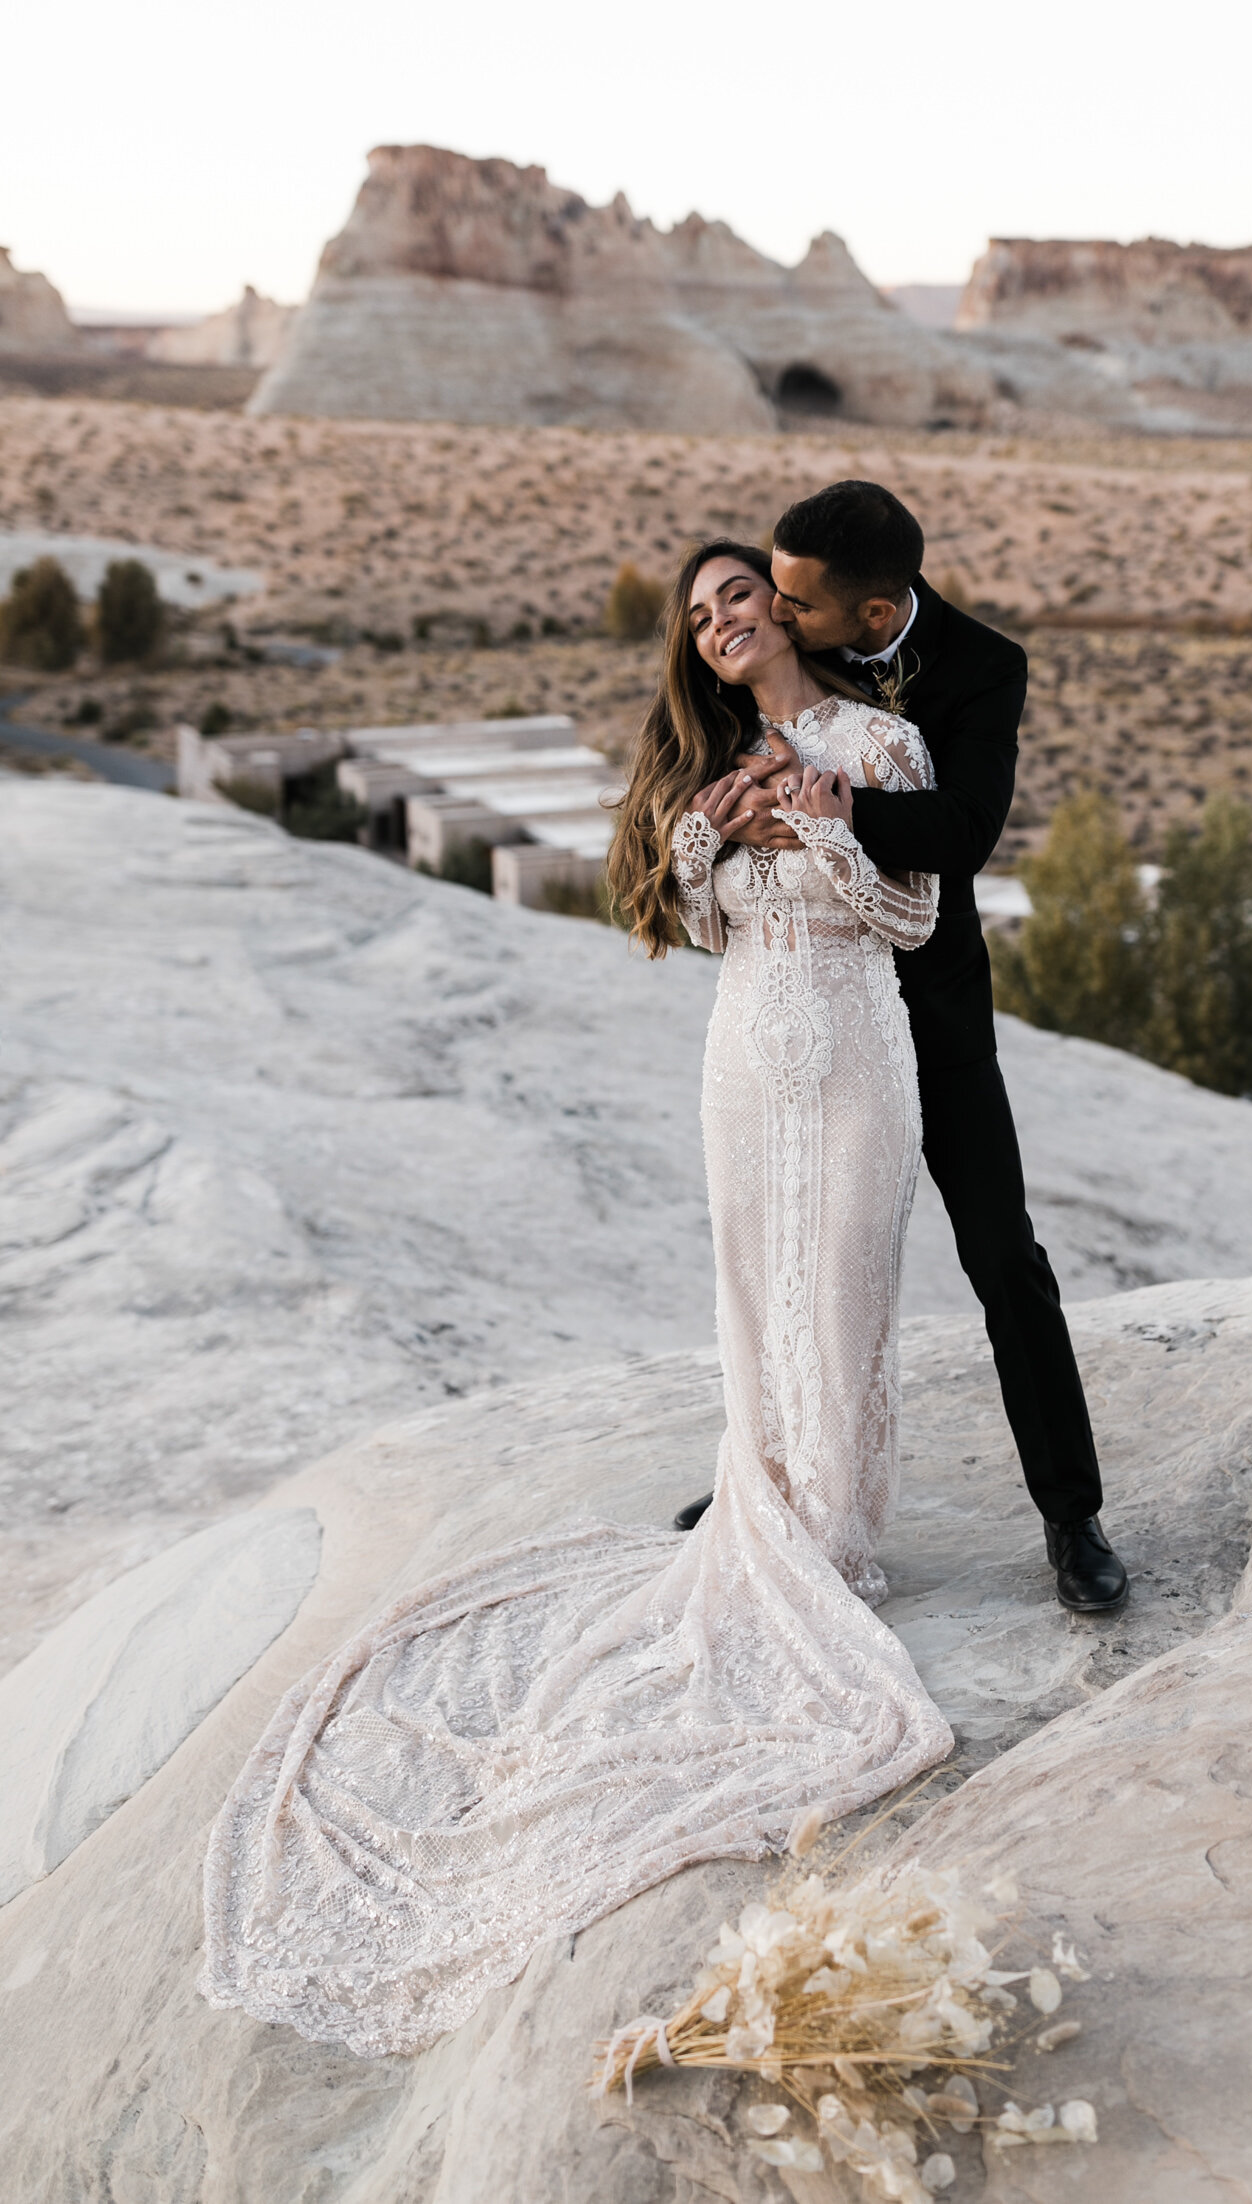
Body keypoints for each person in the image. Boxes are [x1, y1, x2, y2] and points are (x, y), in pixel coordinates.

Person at [199, 540, 953, 2058]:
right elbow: (686, 924)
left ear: (783, 611)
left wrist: (820, 827)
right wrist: (703, 836)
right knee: (754, 1290)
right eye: (699, 615)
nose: (723, 622)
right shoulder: (702, 757)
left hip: (858, 1047)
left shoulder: (881, 739)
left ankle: (836, 1535)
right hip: (748, 1050)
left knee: (848, 1283)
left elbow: (916, 922)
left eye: (740, 598)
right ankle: (776, 1518)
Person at [672, 482, 1127, 1615]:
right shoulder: (764, 681)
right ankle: (772, 1482)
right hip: (805, 1010)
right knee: (779, 1245)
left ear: (870, 618)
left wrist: (828, 813)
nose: (767, 614)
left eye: (789, 603)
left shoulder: (981, 666)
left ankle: (1071, 1518)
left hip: (925, 1008)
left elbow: (965, 832)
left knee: (1000, 1252)